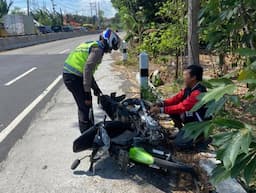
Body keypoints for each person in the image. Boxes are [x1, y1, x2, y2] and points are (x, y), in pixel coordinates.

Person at [63, 29, 121, 133]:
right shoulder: (98, 50)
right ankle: (86, 133)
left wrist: (95, 88)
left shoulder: (95, 46)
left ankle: (90, 129)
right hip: (73, 78)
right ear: (108, 41)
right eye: (111, 48)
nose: (110, 51)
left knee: (87, 104)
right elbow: (87, 70)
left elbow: (89, 72)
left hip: (74, 75)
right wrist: (86, 93)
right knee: (84, 105)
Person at [150, 65, 210, 149]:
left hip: (199, 123)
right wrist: (161, 103)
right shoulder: (189, 88)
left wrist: (160, 110)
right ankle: (183, 132)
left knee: (178, 144)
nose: (184, 78)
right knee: (173, 113)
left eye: (186, 75)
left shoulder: (198, 93)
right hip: (190, 118)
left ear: (193, 77)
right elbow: (176, 99)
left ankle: (200, 137)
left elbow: (182, 107)